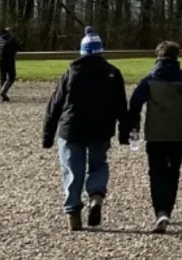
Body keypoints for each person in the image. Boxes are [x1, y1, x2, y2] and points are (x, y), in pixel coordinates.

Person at [42, 26, 129, 232]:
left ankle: (73, 212)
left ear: (82, 51)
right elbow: (121, 106)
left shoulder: (71, 72)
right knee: (98, 165)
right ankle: (96, 196)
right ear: (101, 51)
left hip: (72, 128)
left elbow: (55, 105)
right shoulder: (112, 73)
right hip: (101, 128)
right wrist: (124, 134)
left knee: (73, 170)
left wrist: (48, 135)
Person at [124, 41, 182, 234]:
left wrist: (134, 128)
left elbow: (135, 104)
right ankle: (168, 209)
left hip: (155, 134)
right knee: (173, 173)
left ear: (158, 56)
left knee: (156, 173)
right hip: (177, 134)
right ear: (177, 56)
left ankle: (160, 211)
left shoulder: (148, 80)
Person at [0, 27, 20, 102]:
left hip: (0, 60)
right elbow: (16, 48)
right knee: (12, 77)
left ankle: (3, 95)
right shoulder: (12, 39)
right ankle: (3, 91)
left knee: (2, 77)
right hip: (9, 59)